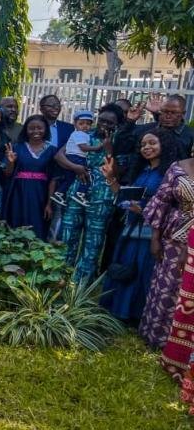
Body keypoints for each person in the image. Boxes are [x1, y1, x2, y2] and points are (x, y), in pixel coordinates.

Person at [99, 130, 174, 327]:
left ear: (164, 145)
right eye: (143, 145)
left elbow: (169, 205)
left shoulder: (170, 174)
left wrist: (143, 210)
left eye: (152, 143)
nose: (146, 148)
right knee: (127, 268)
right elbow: (126, 198)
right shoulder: (142, 170)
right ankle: (119, 311)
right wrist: (111, 179)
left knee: (144, 271)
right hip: (132, 229)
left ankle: (138, 314)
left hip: (153, 233)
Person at [57, 106, 118, 283]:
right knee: (68, 234)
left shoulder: (120, 140)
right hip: (78, 191)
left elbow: (116, 171)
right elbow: (59, 155)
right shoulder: (84, 134)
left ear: (117, 125)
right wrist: (74, 166)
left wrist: (109, 149)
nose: (105, 124)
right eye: (102, 120)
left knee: (93, 240)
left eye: (110, 122)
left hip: (101, 196)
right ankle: (60, 278)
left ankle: (81, 285)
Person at [140, 156, 194, 348]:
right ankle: (156, 336)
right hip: (173, 236)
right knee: (165, 286)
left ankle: (180, 344)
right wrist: (155, 238)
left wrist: (190, 246)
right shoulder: (178, 167)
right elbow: (161, 200)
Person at [2, 115, 57, 240]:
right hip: (18, 193)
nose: (36, 131)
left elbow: (53, 179)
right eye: (31, 128)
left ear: (46, 129)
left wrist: (49, 203)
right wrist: (10, 162)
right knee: (17, 224)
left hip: (40, 195)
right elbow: (7, 174)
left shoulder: (52, 150)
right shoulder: (17, 147)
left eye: (39, 128)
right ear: (26, 130)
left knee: (37, 225)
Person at [50, 110, 99, 207]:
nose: (85, 126)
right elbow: (83, 148)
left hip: (74, 158)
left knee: (69, 179)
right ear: (75, 124)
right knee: (87, 175)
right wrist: (98, 147)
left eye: (88, 124)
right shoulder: (79, 134)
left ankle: (59, 193)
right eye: (81, 123)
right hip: (76, 158)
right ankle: (80, 193)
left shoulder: (84, 134)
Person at [137, 95, 194, 161]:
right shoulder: (148, 129)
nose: (168, 116)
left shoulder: (190, 135)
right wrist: (130, 120)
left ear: (183, 113)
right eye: (165, 111)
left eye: (173, 113)